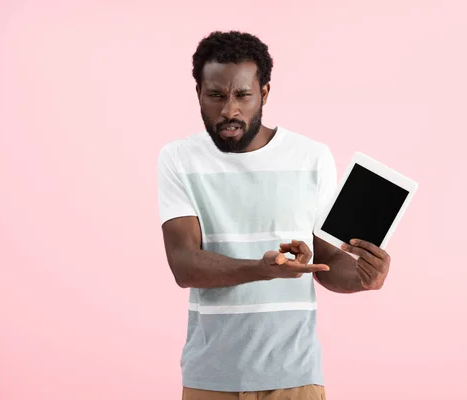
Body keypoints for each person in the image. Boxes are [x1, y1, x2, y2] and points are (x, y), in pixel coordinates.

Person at [157, 30, 391, 400]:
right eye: (215, 95)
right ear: (198, 92)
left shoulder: (311, 158)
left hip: (295, 376)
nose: (228, 110)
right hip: (211, 377)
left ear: (264, 93)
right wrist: (260, 269)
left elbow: (327, 261)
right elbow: (184, 265)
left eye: (242, 95)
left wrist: (365, 277)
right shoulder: (179, 159)